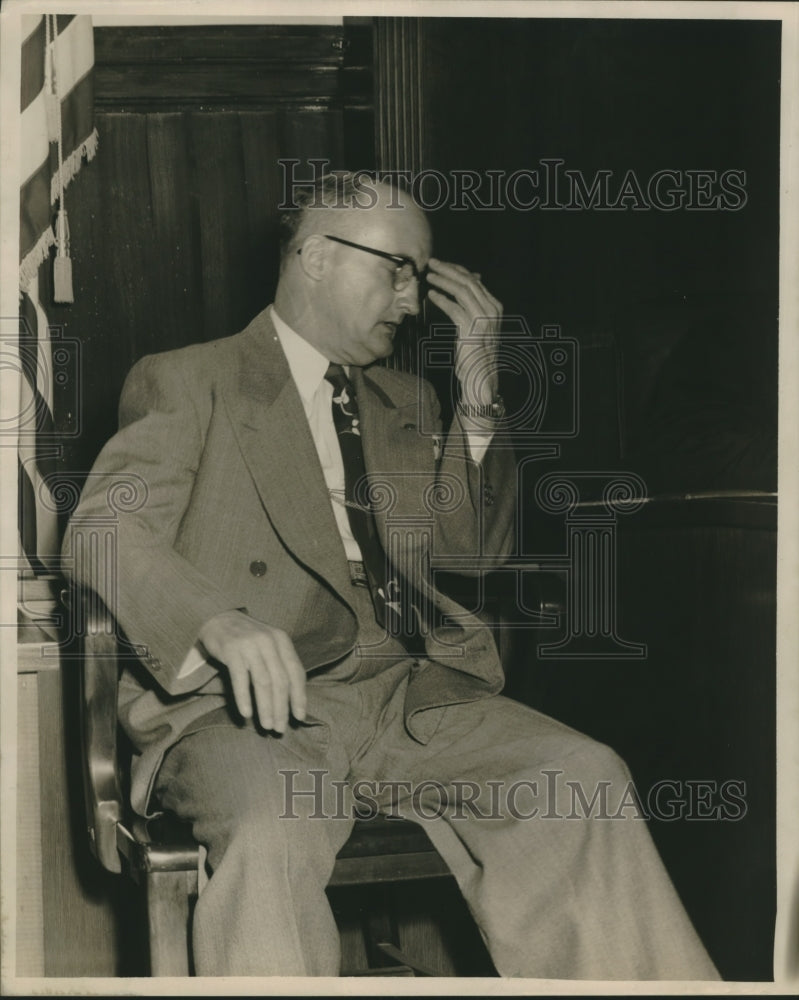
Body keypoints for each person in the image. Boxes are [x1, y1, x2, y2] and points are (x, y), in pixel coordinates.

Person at [62, 173, 719, 980]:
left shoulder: (405, 398)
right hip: (246, 711)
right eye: (397, 268)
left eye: (421, 274)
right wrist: (216, 621)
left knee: (579, 776)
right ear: (313, 257)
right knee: (272, 827)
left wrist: (477, 391)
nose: (412, 300)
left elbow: (475, 552)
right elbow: (102, 528)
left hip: (404, 698)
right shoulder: (188, 379)